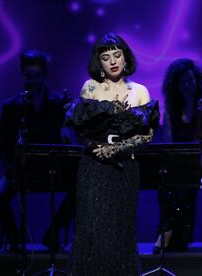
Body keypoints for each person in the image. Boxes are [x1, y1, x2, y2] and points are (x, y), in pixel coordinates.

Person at [66, 33, 159, 275]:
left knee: (121, 230)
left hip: (125, 169)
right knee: (92, 228)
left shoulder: (139, 91)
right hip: (94, 167)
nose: (113, 61)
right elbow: (80, 127)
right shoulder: (90, 86)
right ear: (100, 62)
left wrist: (115, 149)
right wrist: (98, 148)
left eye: (117, 55)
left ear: (126, 58)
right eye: (106, 57)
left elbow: (147, 135)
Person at [0, 49, 74, 252]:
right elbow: (4, 143)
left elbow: (68, 139)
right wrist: (9, 167)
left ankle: (52, 232)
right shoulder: (12, 106)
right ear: (23, 75)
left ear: (44, 75)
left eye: (37, 76)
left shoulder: (58, 103)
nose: (33, 81)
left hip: (52, 167)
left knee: (82, 190)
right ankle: (14, 238)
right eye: (28, 76)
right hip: (21, 168)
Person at [154, 58, 202, 253]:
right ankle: (177, 235)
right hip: (179, 168)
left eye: (190, 80)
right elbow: (168, 145)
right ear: (176, 85)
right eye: (183, 81)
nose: (187, 85)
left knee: (184, 186)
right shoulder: (170, 113)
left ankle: (168, 235)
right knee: (167, 186)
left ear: (197, 81)